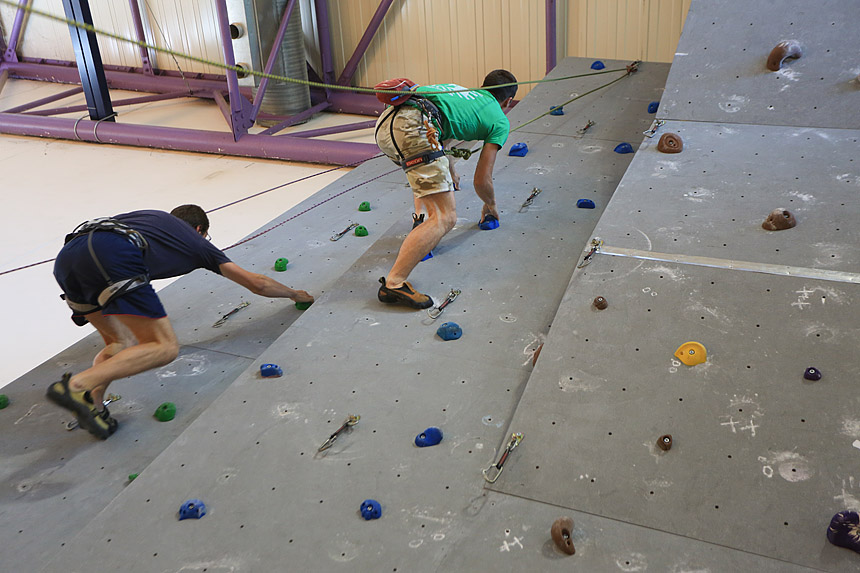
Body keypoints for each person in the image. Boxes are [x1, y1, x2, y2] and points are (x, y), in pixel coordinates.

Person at [46, 205, 314, 439]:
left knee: (119, 342)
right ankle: (75, 387)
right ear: (199, 229)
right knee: (164, 347)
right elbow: (257, 283)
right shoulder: (196, 244)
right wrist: (294, 294)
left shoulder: (153, 218)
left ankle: (95, 408)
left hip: (67, 259)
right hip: (112, 255)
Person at [373, 70, 517, 309]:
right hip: (416, 130)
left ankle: (420, 221)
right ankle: (394, 284)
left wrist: (447, 163)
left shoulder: (458, 89)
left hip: (385, 125)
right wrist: (490, 205)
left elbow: (441, 130)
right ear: (508, 101)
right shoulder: (500, 121)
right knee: (445, 217)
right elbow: (482, 180)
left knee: (425, 179)